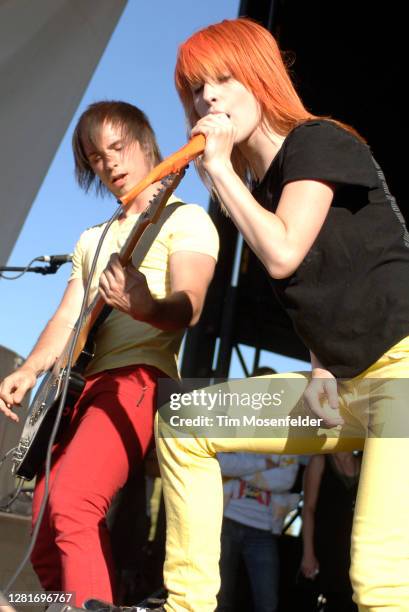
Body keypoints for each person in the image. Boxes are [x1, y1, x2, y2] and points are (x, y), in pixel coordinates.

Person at [153, 17, 409, 612]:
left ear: (261, 76)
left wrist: (218, 172)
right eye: (195, 87)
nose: (207, 97)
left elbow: (285, 251)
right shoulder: (263, 190)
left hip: (401, 373)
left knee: (378, 581)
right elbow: (330, 283)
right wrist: (322, 364)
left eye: (223, 77)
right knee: (184, 420)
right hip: (344, 388)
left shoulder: (318, 140)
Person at [0, 100, 219, 607]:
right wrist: (31, 368)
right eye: (97, 157)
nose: (111, 163)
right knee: (44, 531)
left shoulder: (186, 221)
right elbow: (65, 317)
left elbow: (189, 305)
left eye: (118, 148)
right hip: (75, 391)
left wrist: (145, 305)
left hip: (136, 381)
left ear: (147, 144)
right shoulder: (92, 238)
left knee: (74, 503)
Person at [217, 452, 298, 612]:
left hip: (263, 530)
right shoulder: (235, 429)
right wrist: (264, 465)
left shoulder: (286, 440)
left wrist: (240, 469)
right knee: (219, 598)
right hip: (226, 521)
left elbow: (286, 480)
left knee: (268, 603)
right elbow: (220, 463)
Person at [301, 452, 361, 612]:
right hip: (323, 549)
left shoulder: (364, 462)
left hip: (352, 553)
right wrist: (308, 553)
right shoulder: (320, 460)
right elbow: (308, 508)